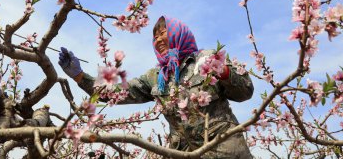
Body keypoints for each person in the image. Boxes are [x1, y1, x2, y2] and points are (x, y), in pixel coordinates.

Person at [59, 16, 254, 158]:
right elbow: (116, 94)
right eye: (155, 37)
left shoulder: (208, 57)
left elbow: (246, 91)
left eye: (162, 33)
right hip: (184, 154)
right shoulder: (156, 76)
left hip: (226, 151)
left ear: (179, 33)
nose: (158, 40)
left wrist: (225, 73)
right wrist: (79, 76)